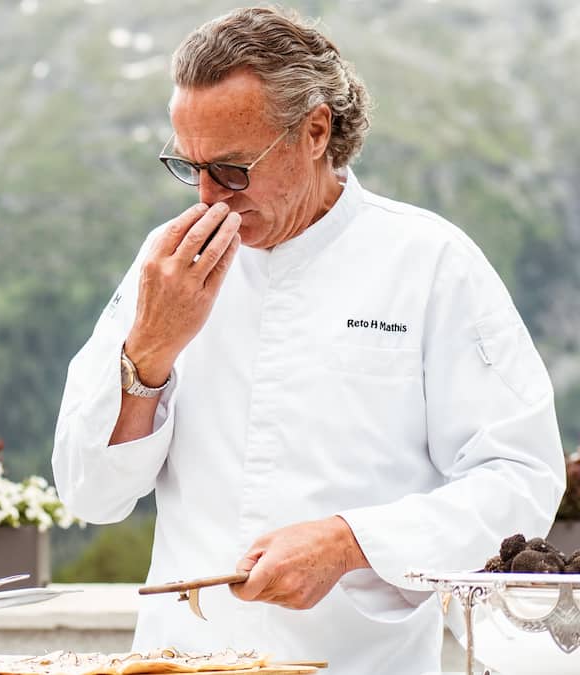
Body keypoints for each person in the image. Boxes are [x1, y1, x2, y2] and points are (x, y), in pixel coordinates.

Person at [51, 6, 564, 674]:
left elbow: (521, 477)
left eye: (233, 169)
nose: (209, 196)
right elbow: (89, 492)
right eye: (189, 166)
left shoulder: (430, 262)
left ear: (316, 130)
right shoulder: (167, 263)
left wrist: (351, 541)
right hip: (178, 660)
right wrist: (148, 350)